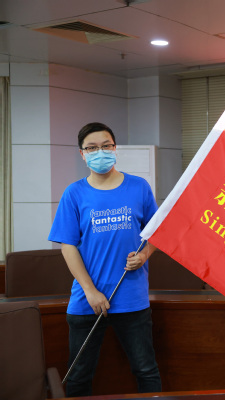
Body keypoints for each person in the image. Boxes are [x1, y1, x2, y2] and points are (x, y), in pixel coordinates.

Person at [48, 122, 161, 397]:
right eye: (92, 148)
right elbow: (68, 246)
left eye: (106, 146)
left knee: (146, 371)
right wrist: (90, 291)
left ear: (115, 148)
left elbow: (158, 233)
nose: (100, 152)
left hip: (131, 297)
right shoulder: (74, 193)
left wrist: (144, 255)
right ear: (82, 154)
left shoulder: (139, 187)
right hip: (87, 300)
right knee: (78, 376)